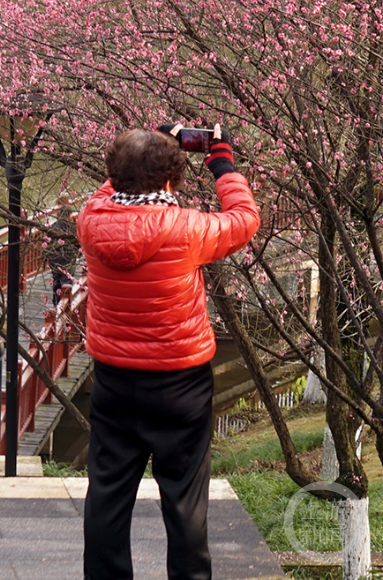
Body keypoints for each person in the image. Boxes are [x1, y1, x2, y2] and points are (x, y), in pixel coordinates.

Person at [77, 122, 260, 580]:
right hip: (180, 383)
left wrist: (149, 146)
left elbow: (116, 186)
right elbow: (244, 218)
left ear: (114, 175)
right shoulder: (188, 229)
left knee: (107, 494)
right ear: (171, 181)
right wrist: (222, 165)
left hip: (114, 380)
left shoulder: (90, 220)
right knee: (184, 502)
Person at [47, 199, 80, 305]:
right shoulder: (73, 228)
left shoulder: (54, 226)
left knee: (56, 281)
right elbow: (79, 245)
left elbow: (47, 243)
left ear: (59, 214)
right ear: (70, 215)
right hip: (68, 260)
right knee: (66, 282)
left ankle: (56, 303)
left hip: (54, 260)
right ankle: (64, 307)